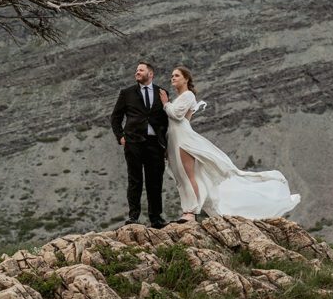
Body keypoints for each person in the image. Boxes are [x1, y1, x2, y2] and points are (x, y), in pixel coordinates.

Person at [159, 66, 300, 222]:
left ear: (186, 79)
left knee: (188, 175)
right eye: (172, 75)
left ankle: (191, 212)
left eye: (177, 75)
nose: (173, 78)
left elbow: (177, 115)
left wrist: (165, 103)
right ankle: (187, 210)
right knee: (181, 177)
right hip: (174, 138)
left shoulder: (188, 95)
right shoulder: (180, 98)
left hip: (183, 139)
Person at [110, 61, 170, 228]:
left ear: (150, 74)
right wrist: (120, 136)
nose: (137, 72)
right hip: (133, 143)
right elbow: (115, 117)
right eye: (136, 70)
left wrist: (165, 143)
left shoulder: (162, 93)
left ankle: (156, 218)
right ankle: (133, 217)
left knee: (155, 181)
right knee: (135, 180)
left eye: (141, 70)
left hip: (155, 144)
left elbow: (166, 120)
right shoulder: (127, 93)